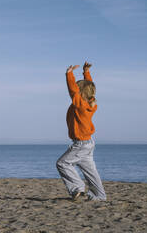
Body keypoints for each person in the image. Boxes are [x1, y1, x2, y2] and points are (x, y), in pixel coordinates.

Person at [56, 62, 106, 201]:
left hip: (82, 143)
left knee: (63, 163)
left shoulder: (80, 106)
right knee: (90, 171)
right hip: (88, 142)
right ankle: (99, 195)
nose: (75, 93)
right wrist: (86, 72)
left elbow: (73, 90)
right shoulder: (87, 104)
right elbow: (90, 86)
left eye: (78, 91)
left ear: (80, 94)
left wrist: (69, 74)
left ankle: (77, 187)